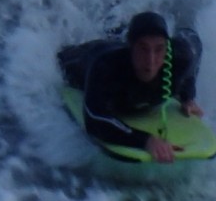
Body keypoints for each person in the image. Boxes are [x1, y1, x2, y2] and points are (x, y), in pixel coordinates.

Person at [58, 11, 204, 163]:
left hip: (120, 47)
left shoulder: (180, 56)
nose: (151, 60)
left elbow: (193, 40)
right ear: (131, 48)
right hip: (84, 57)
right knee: (60, 58)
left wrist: (188, 97)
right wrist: (146, 141)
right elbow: (95, 119)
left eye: (159, 49)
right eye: (143, 49)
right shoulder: (106, 66)